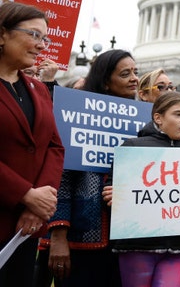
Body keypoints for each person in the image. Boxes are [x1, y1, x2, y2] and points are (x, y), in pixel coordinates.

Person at [39, 48, 139, 286]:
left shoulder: (143, 120)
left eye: (136, 71)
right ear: (105, 82)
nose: (135, 78)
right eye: (125, 74)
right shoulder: (79, 116)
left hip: (126, 240)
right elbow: (61, 178)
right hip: (82, 239)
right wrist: (59, 235)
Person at [102, 92, 180, 286]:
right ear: (158, 117)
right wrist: (112, 194)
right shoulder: (132, 147)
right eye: (178, 114)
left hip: (179, 246)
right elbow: (111, 187)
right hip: (137, 245)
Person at [0, 2, 65, 285]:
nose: (42, 46)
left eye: (45, 38)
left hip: (25, 227)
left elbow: (54, 147)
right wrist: (26, 193)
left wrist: (36, 204)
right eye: (34, 35)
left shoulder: (38, 89)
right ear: (2, 34)